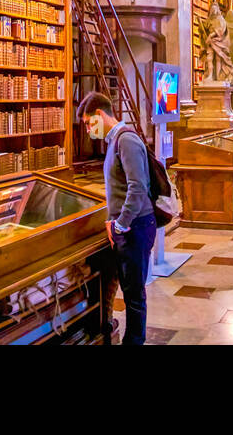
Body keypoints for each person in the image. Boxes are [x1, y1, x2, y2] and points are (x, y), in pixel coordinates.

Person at [78, 91, 155, 345]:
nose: (89, 130)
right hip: (126, 227)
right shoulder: (113, 142)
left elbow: (138, 186)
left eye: (90, 123)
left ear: (100, 115)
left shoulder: (126, 140)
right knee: (126, 286)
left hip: (136, 226)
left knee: (133, 294)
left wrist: (120, 224)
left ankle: (134, 341)